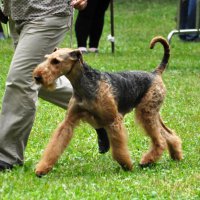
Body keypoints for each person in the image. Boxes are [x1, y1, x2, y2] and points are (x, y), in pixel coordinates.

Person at [0, 0, 109, 171]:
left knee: (21, 81)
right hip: (16, 11)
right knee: (40, 80)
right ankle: (99, 109)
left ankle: (6, 157)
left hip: (47, 11)